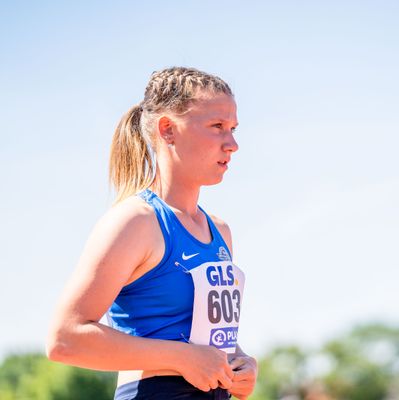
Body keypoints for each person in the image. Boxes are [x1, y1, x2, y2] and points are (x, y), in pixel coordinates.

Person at [46, 67, 257, 400]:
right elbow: (65, 339)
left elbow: (201, 338)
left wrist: (239, 361)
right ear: (168, 130)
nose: (232, 144)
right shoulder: (135, 222)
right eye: (217, 127)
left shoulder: (220, 232)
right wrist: (181, 359)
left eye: (233, 128)